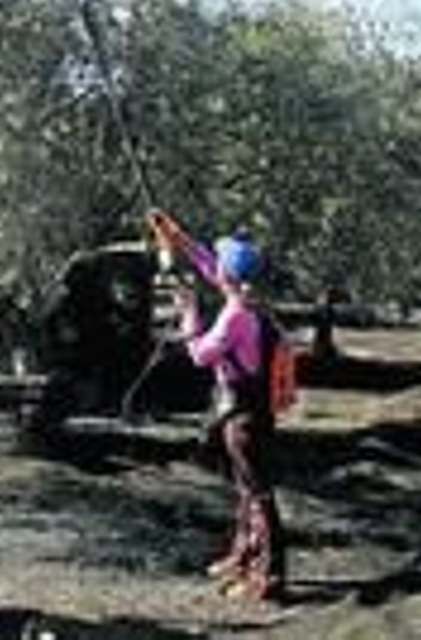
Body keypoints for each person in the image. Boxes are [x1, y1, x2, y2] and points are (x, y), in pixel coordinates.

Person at [174, 231, 288, 602]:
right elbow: (211, 267)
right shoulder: (251, 304)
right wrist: (177, 237)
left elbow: (201, 356)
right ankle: (242, 558)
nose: (213, 267)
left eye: (219, 264)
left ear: (229, 275)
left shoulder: (234, 316)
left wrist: (188, 314)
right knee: (247, 490)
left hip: (243, 418)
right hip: (251, 412)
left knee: (258, 493)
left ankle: (270, 576)